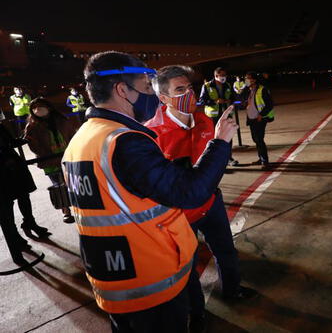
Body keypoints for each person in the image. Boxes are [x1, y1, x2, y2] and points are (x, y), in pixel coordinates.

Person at [61, 51, 238, 332]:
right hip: (148, 282)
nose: (150, 98)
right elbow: (189, 192)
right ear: (122, 90)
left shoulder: (83, 139)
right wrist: (220, 143)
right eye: (145, 88)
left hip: (114, 276)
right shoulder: (126, 142)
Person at [146, 65, 255, 311]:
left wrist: (222, 142)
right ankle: (196, 312)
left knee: (226, 250)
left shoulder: (205, 120)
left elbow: (214, 165)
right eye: (180, 90)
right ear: (164, 98)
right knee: (187, 265)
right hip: (180, 213)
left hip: (211, 202)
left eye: (190, 88)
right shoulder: (152, 135)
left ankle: (233, 289)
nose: (190, 94)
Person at [0, 116, 50, 265]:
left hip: (13, 167)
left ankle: (29, 222)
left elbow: (9, 142)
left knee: (23, 195)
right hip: (2, 172)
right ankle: (15, 241)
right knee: (6, 210)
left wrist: (24, 139)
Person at [23, 97, 80, 223]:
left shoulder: (62, 120)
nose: (37, 109)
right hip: (49, 161)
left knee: (72, 183)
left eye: (40, 106)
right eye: (34, 108)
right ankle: (66, 211)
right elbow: (33, 145)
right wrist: (46, 155)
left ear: (48, 107)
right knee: (58, 186)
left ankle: (78, 207)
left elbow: (72, 136)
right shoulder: (32, 126)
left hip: (67, 157)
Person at [199, 67, 239, 166]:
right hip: (213, 117)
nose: (223, 77)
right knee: (214, 138)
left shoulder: (228, 85)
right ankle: (216, 160)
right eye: (221, 75)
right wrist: (214, 101)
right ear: (216, 76)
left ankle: (228, 158)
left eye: (224, 75)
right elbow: (202, 101)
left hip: (226, 115)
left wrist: (231, 102)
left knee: (228, 136)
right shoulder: (207, 86)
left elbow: (234, 98)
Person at [243, 71, 274, 168]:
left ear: (254, 80)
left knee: (259, 140)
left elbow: (270, 104)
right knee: (255, 139)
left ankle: (265, 162)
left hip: (259, 118)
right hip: (251, 118)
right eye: (246, 78)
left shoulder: (262, 89)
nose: (246, 80)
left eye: (248, 78)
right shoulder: (248, 90)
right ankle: (261, 158)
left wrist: (261, 115)